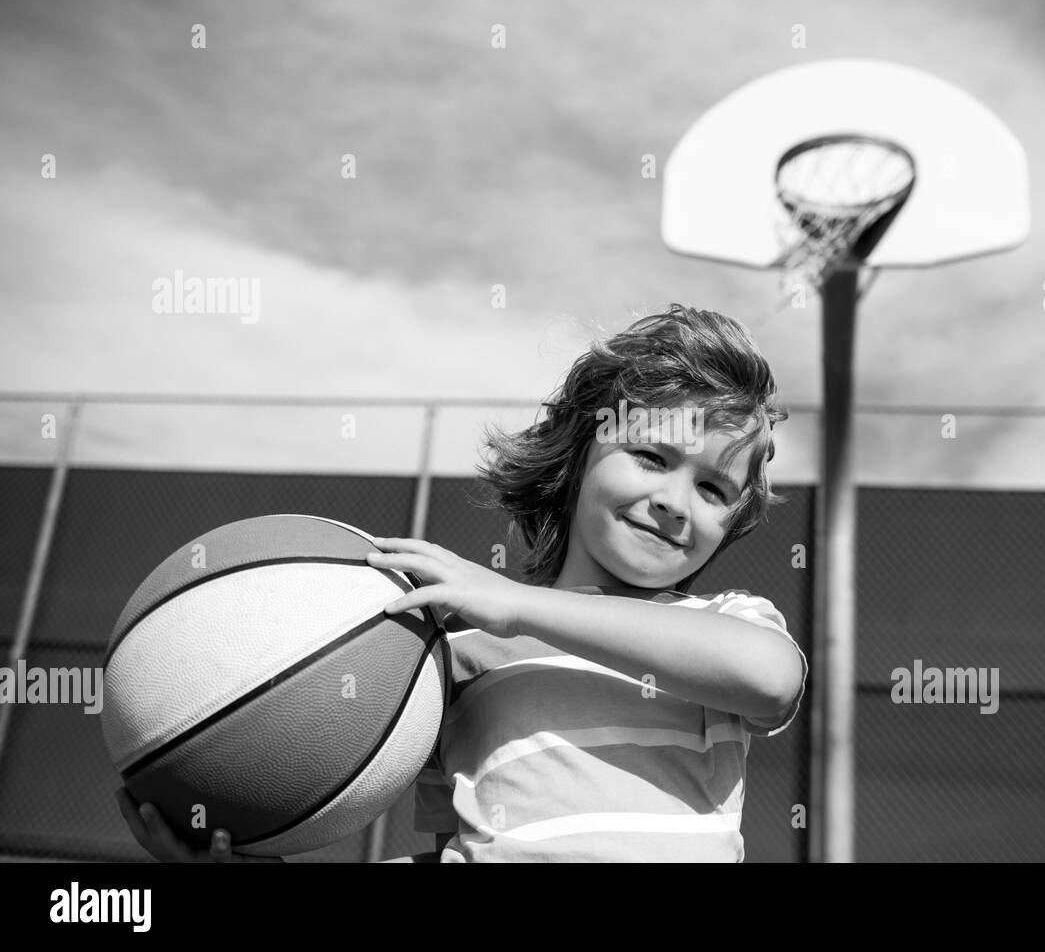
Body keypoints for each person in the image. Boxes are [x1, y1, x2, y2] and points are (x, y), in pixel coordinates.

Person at [118, 303, 806, 862]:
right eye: (652, 456)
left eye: (714, 487)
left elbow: (770, 678)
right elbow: (464, 847)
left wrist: (520, 606)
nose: (674, 501)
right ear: (578, 454)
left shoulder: (724, 620)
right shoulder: (451, 662)